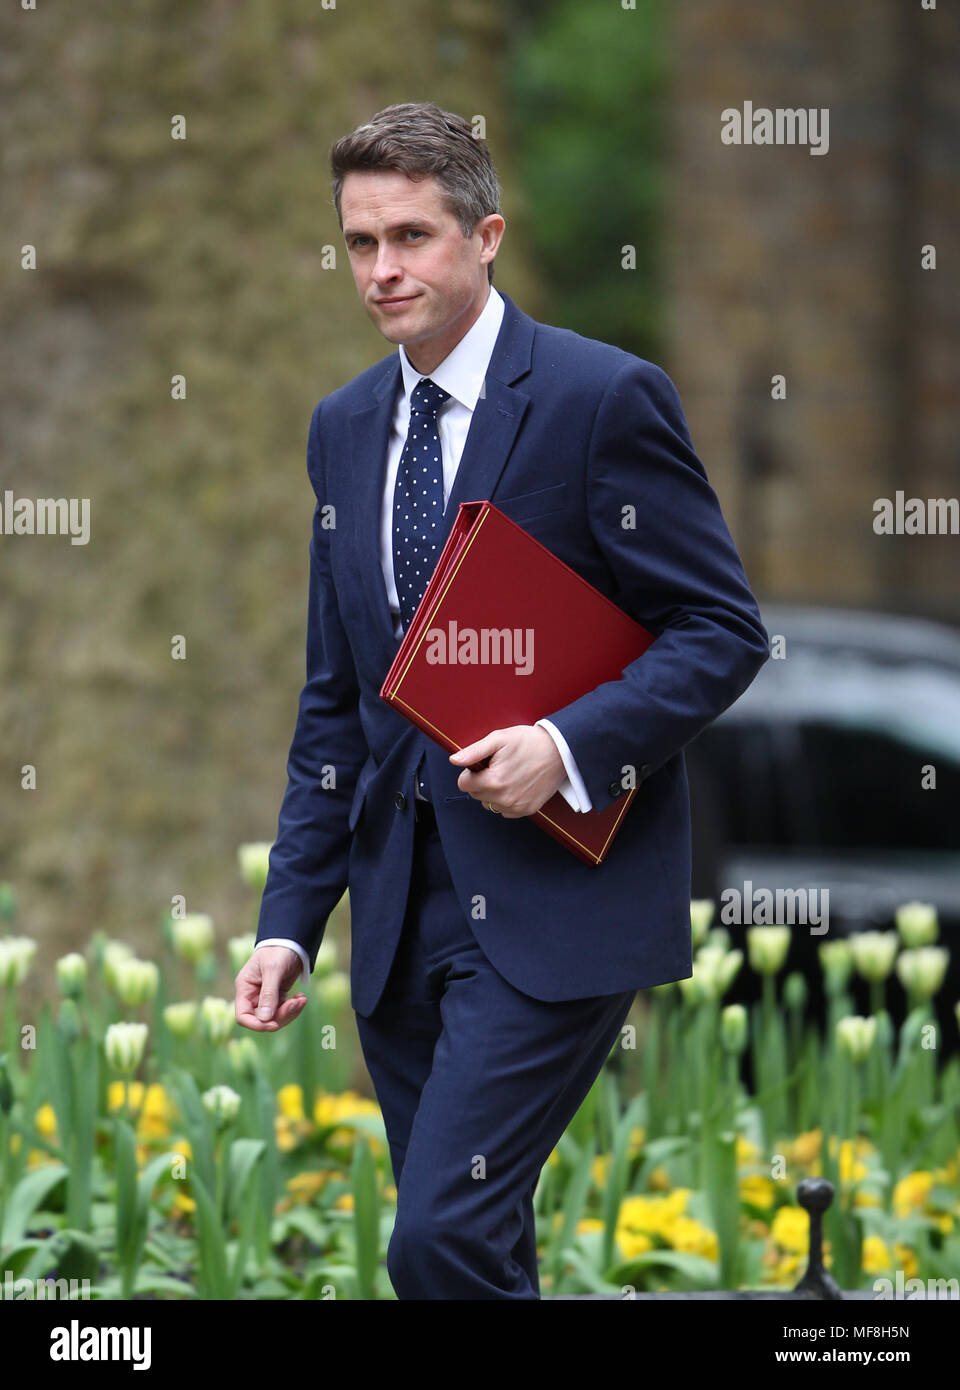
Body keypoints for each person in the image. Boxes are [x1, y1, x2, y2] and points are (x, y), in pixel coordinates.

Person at [234, 101, 769, 1299]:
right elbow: (339, 701)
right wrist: (288, 917)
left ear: (487, 237)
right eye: (361, 242)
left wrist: (566, 745)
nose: (383, 270)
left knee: (438, 1239)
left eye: (412, 236)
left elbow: (723, 630)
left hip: (551, 908)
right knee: (476, 1252)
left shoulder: (601, 397)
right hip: (395, 920)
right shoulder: (342, 429)